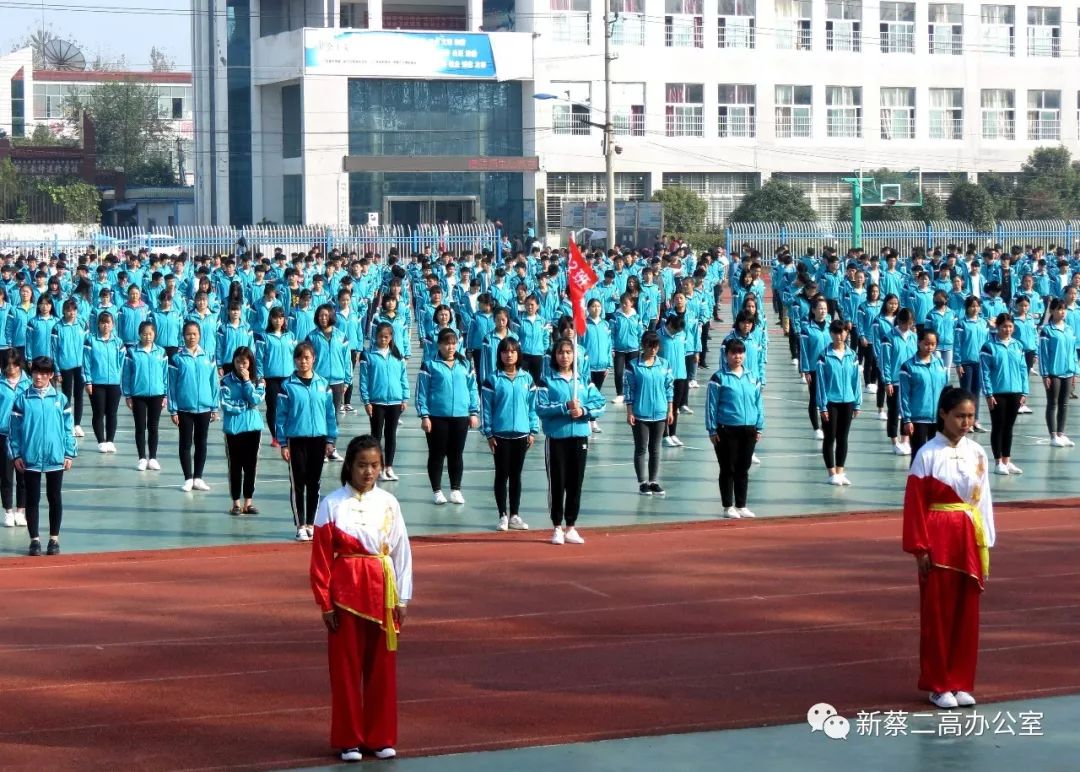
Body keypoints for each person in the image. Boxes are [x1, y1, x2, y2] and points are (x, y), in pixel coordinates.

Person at [309, 435, 413, 763]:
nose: (369, 472)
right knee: (345, 670)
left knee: (382, 669)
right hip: (345, 596)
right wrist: (325, 602)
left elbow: (401, 552)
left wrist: (403, 598)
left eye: (375, 465)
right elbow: (321, 559)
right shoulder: (331, 504)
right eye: (362, 465)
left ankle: (380, 737)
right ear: (349, 466)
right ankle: (349, 739)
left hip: (383, 594)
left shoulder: (389, 504)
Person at [902, 387, 994, 710]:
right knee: (938, 614)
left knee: (967, 614)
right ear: (943, 414)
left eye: (970, 416)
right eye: (960, 416)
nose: (966, 422)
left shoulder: (978, 454)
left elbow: (983, 503)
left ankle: (960, 681)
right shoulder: (927, 454)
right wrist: (920, 549)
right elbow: (914, 504)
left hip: (969, 537)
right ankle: (938, 683)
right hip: (938, 537)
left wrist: (986, 544)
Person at [536, 338, 605, 544]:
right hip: (557, 438)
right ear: (554, 356)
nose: (564, 356)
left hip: (579, 437)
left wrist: (583, 411)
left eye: (568, 352)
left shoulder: (582, 381)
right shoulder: (546, 381)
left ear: (574, 355)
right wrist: (564, 407)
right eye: (560, 352)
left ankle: (571, 526)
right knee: (557, 482)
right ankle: (557, 526)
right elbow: (541, 408)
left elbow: (600, 404)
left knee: (576, 483)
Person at [10, 356, 76, 556]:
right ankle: (35, 540)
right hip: (30, 458)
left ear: (50, 375)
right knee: (32, 499)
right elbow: (14, 431)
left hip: (55, 457)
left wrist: (69, 453)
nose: (39, 377)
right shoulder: (22, 399)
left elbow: (68, 428)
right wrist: (16, 455)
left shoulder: (60, 399)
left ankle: (54, 539)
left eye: (44, 373)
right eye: (36, 373)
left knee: (54, 497)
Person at [276, 341, 339, 541]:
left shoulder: (323, 384)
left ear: (314, 359)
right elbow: (281, 416)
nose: (303, 361)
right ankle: (300, 524)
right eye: (299, 358)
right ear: (294, 360)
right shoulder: (287, 386)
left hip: (318, 439)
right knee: (298, 483)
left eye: (307, 358)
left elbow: (330, 414)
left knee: (314, 482)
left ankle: (312, 523)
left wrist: (330, 439)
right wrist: (283, 443)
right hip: (296, 439)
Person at [415, 328, 479, 505]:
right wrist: (424, 416)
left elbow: (473, 388)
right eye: (446, 343)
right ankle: (437, 490)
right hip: (437, 417)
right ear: (439, 345)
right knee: (437, 454)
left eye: (453, 343)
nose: (450, 347)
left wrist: (473, 412)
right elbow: (422, 392)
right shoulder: (429, 365)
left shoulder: (465, 364)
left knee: (456, 454)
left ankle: (455, 489)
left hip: (460, 416)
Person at [480, 337, 538, 531]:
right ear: (500, 355)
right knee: (501, 475)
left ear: (518, 354)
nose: (509, 354)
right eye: (505, 351)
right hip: (500, 435)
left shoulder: (527, 378)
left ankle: (515, 514)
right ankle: (502, 515)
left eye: (512, 351)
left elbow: (532, 407)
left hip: (521, 435)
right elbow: (486, 408)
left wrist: (532, 430)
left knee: (516, 476)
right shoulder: (492, 379)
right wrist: (488, 433)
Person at [705, 339, 764, 518]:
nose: (737, 356)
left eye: (740, 353)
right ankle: (727, 506)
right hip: (726, 429)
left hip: (749, 429)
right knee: (728, 468)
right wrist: (712, 429)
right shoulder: (718, 378)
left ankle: (741, 505)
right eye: (733, 353)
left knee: (743, 468)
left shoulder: (752, 377)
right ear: (726, 355)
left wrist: (759, 426)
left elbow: (758, 402)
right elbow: (711, 405)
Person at [167, 321, 220, 492]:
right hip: (184, 408)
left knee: (201, 443)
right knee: (185, 443)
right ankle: (188, 478)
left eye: (194, 334)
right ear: (183, 336)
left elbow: (214, 383)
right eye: (188, 334)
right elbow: (172, 385)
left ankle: (198, 477)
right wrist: (173, 409)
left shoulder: (208, 356)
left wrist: (214, 406)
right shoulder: (177, 359)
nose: (191, 337)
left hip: (204, 407)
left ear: (200, 335)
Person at [624, 331, 674, 495]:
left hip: (660, 412)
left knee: (656, 449)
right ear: (643, 345)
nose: (653, 349)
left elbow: (669, 388)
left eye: (656, 346)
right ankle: (642, 482)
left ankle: (653, 481)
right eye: (649, 346)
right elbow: (629, 389)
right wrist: (629, 410)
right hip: (640, 413)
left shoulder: (665, 364)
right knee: (641, 448)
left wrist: (670, 409)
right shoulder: (633, 365)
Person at [358, 323, 409, 482]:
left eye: (386, 337)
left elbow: (403, 378)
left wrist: (404, 397)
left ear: (391, 337)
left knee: (391, 435)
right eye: (380, 336)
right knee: (376, 436)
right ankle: (377, 467)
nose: (383, 339)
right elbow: (364, 380)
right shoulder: (368, 355)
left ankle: (389, 467)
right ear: (375, 336)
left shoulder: (397, 355)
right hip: (376, 402)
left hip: (394, 401)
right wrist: (366, 401)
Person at [219, 346, 266, 516]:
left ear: (250, 362)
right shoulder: (225, 381)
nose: (241, 366)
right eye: (238, 362)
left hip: (253, 427)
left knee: (251, 466)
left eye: (244, 362)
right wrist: (246, 406)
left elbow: (256, 399)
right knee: (235, 466)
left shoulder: (258, 381)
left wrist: (247, 383)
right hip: (233, 429)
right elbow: (226, 405)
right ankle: (236, 503)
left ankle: (248, 502)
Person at [980, 313, 1028, 475]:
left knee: (1009, 427)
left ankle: (1007, 460)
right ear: (998, 327)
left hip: (1015, 392)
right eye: (1004, 326)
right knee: (998, 426)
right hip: (997, 393)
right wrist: (988, 394)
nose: (1007, 329)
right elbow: (984, 372)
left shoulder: (1018, 346)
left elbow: (1023, 370)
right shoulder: (989, 347)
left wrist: (1024, 391)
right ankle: (998, 462)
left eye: (1010, 326)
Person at [815, 319, 861, 486]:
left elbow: (856, 381)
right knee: (830, 437)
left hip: (847, 400)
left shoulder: (852, 355)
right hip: (830, 402)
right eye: (835, 332)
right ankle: (831, 473)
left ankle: (840, 471)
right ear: (831, 334)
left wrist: (857, 402)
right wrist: (822, 406)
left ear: (846, 333)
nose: (839, 335)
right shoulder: (824, 356)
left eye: (842, 332)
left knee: (843, 437)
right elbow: (820, 382)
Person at [121, 321, 169, 471]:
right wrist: (128, 395)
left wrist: (166, 394)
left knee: (153, 427)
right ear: (139, 335)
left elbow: (165, 374)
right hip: (138, 394)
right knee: (140, 427)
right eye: (144, 334)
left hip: (157, 394)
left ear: (155, 334)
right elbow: (127, 375)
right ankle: (142, 458)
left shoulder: (161, 352)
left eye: (150, 333)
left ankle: (153, 457)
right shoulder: (132, 352)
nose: (148, 336)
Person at [82, 311, 125, 454]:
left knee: (112, 413)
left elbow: (122, 363)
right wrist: (88, 381)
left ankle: (110, 441)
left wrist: (119, 378)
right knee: (98, 413)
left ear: (113, 325)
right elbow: (86, 362)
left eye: (108, 322)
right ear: (98, 324)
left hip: (114, 383)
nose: (106, 325)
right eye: (103, 322)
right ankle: (101, 441)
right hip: (96, 382)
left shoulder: (118, 342)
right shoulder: (90, 340)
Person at [1038, 298, 1078, 447]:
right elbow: (1043, 354)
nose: (1062, 312)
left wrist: (1075, 371)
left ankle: (1061, 433)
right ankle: (1053, 435)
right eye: (1059, 309)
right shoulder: (1047, 331)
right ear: (1052, 311)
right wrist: (1045, 374)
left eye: (1064, 309)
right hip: (1053, 373)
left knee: (1065, 404)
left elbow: (1073, 351)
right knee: (1052, 403)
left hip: (1068, 372)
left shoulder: (1069, 329)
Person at [255, 306, 297, 449]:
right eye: (275, 317)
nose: (278, 321)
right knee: (272, 407)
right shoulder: (263, 337)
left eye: (280, 317)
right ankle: (275, 437)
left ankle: (288, 434)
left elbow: (295, 355)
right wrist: (260, 376)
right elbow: (259, 358)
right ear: (270, 319)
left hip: (288, 377)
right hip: (271, 378)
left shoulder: (290, 335)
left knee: (289, 407)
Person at [0, 349, 28, 528]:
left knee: (23, 476)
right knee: (6, 476)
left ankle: (20, 511)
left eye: (15, 364)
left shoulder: (29, 383)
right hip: (3, 434)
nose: (11, 368)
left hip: (23, 435)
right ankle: (8, 511)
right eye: (8, 365)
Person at [53, 299, 87, 438]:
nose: (71, 313)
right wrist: (57, 370)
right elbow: (53, 350)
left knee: (79, 396)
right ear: (63, 311)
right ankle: (67, 423)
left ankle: (77, 424)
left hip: (80, 366)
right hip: (65, 366)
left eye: (73, 310)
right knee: (66, 396)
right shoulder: (57, 327)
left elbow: (87, 347)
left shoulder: (82, 324)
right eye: (68, 310)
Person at [954, 296, 989, 432]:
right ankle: (966, 421)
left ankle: (975, 420)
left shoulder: (983, 323)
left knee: (976, 392)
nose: (975, 309)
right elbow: (957, 344)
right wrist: (958, 362)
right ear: (967, 308)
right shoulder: (961, 324)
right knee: (966, 393)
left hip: (979, 362)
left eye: (977, 306)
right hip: (966, 362)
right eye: (972, 306)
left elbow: (987, 343)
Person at [799, 297, 830, 440]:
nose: (822, 311)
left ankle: (826, 426)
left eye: (824, 308)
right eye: (820, 308)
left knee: (828, 398)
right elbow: (804, 351)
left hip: (830, 368)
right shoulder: (807, 329)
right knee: (814, 398)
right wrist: (805, 370)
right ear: (813, 310)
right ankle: (816, 427)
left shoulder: (832, 326)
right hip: (814, 368)